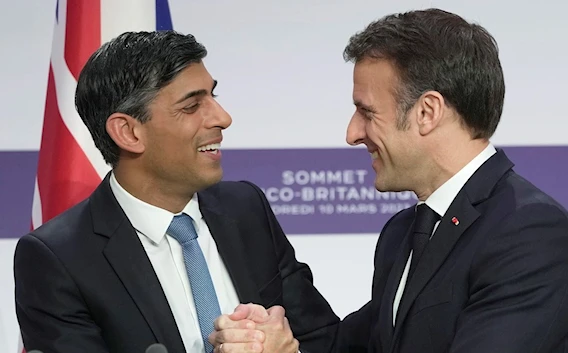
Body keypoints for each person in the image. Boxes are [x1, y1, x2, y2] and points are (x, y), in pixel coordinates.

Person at [211, 8, 568, 353]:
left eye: (367, 112)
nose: (352, 133)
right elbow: (342, 346)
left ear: (427, 112)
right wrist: (268, 335)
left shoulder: (530, 233)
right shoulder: (404, 232)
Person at [13, 30, 339, 353]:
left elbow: (322, 338)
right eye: (192, 106)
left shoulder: (246, 208)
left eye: (213, 97)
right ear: (128, 132)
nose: (223, 118)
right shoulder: (57, 259)